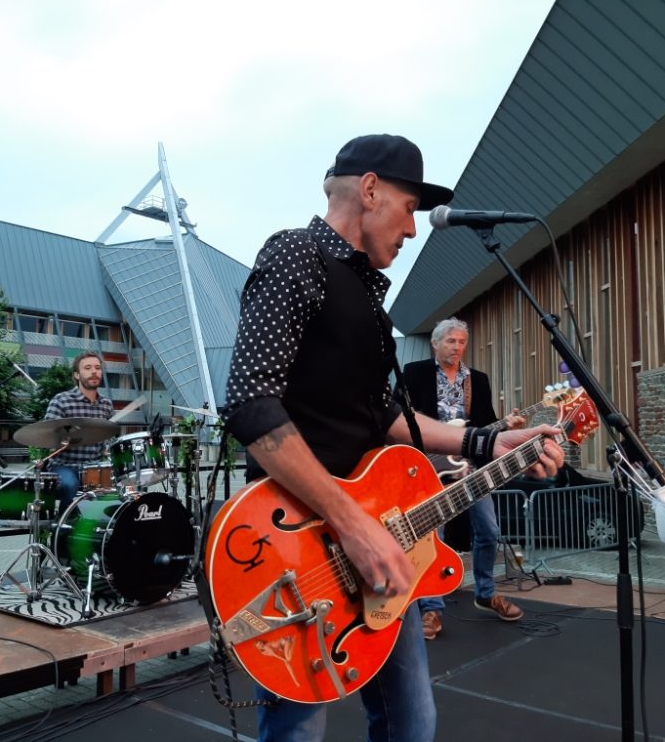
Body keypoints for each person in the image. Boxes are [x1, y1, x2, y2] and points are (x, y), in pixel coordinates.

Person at [221, 133, 564, 742]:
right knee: (298, 728)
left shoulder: (368, 297)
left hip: (381, 530)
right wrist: (350, 523)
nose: (412, 229)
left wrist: (485, 444)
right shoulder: (295, 256)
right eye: (409, 208)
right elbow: (250, 401)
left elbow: (379, 417)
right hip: (298, 546)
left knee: (412, 724)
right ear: (371, 190)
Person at [400, 318, 527, 641]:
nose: (457, 348)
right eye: (451, 342)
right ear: (435, 343)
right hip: (429, 467)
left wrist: (506, 424)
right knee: (433, 539)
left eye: (461, 342)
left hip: (471, 467)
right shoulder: (414, 373)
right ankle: (431, 607)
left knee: (489, 530)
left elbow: (483, 425)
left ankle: (485, 593)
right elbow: (398, 417)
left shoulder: (478, 381)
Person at [44, 351, 114, 515]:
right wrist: (67, 437)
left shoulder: (106, 404)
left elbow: (108, 437)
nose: (94, 371)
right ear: (77, 374)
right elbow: (47, 434)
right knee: (70, 485)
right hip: (63, 465)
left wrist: (108, 448)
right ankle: (62, 532)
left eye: (97, 368)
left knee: (126, 485)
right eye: (87, 368)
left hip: (94, 466)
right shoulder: (61, 400)